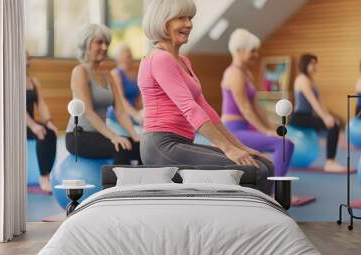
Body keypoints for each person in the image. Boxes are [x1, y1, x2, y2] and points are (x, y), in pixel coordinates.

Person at [138, 0, 274, 194]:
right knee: (255, 170)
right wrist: (228, 149)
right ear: (162, 22)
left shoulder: (183, 60)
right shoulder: (160, 58)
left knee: (263, 164)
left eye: (190, 18)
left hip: (180, 143)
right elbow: (190, 109)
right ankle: (243, 222)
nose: (188, 24)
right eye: (180, 18)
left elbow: (204, 107)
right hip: (161, 146)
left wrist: (238, 145)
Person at [221, 29, 294, 176]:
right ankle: (276, 190)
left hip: (246, 127)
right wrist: (265, 131)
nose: (256, 55)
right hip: (233, 130)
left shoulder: (246, 73)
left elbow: (256, 106)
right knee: (285, 144)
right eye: (252, 51)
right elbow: (245, 108)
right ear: (239, 50)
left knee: (280, 139)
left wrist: (270, 129)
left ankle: (269, 183)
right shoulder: (234, 73)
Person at [66, 24, 141, 165]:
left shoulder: (108, 76)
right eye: (99, 42)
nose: (105, 47)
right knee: (120, 148)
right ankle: (116, 187)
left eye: (106, 43)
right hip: (79, 137)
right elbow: (87, 111)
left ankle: (142, 186)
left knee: (141, 148)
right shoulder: (79, 71)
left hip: (100, 134)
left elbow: (120, 112)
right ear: (87, 44)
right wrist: (114, 136)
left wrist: (135, 135)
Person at [291, 53, 345, 172]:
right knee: (333, 127)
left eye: (316, 64)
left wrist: (328, 116)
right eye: (312, 63)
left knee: (334, 123)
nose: (315, 66)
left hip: (308, 116)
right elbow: (313, 101)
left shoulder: (312, 81)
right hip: (299, 118)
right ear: (305, 64)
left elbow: (321, 102)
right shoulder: (301, 79)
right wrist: (325, 118)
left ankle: (331, 160)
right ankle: (330, 162)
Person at [26, 51, 57, 192]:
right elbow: (16, 107)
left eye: (29, 58)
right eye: (24, 59)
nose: (27, 62)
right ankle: (44, 177)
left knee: (49, 132)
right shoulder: (11, 80)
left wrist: (49, 122)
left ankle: (45, 175)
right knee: (41, 133)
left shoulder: (33, 81)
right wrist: (33, 125)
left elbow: (41, 104)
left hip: (29, 123)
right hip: (13, 124)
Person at [110, 44, 143, 124]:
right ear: (119, 58)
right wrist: (135, 115)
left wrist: (142, 112)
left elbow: (140, 98)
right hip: (119, 113)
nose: (130, 56)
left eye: (130, 54)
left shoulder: (134, 75)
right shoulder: (115, 74)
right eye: (127, 54)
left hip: (133, 112)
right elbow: (121, 99)